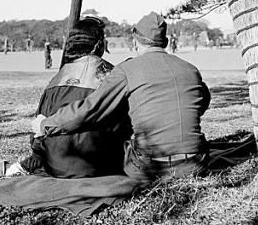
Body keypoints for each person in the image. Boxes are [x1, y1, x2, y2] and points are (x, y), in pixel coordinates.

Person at [32, 12, 210, 182]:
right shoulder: (190, 69)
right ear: (166, 41)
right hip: (197, 163)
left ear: (136, 40)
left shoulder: (127, 69)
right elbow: (202, 101)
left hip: (150, 168)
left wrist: (45, 125)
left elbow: (89, 109)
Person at [0, 17, 131, 178]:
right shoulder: (112, 75)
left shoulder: (56, 79)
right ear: (99, 44)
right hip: (98, 165)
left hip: (56, 164)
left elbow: (38, 132)